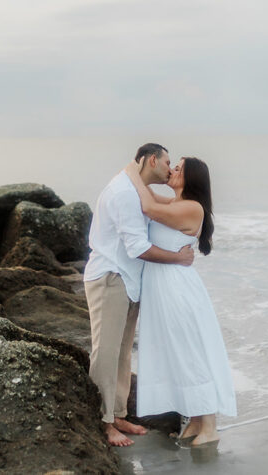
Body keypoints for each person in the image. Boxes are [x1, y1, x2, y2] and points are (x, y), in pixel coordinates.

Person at [84, 143, 197, 447]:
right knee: (105, 352)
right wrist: (179, 259)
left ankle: (117, 413)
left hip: (129, 279)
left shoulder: (136, 188)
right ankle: (104, 422)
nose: (171, 169)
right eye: (167, 163)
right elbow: (137, 247)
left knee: (122, 351)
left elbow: (163, 208)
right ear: (151, 160)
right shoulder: (124, 193)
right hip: (111, 277)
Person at [123, 155, 237, 447]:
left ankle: (209, 424)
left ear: (191, 178)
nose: (172, 170)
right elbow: (147, 195)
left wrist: (130, 171)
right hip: (162, 287)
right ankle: (196, 419)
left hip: (177, 288)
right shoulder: (175, 203)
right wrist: (139, 168)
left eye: (178, 168)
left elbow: (147, 205)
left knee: (190, 352)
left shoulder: (191, 207)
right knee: (176, 352)